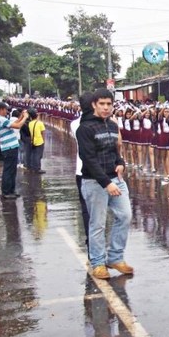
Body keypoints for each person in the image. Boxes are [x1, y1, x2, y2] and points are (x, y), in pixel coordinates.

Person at [76, 88, 133, 280]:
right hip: (95, 182)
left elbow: (115, 151)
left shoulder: (112, 125)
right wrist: (106, 183)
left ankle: (115, 257)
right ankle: (98, 263)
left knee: (125, 216)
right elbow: (88, 159)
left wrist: (120, 164)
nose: (106, 108)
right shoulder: (85, 128)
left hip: (116, 179)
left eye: (109, 104)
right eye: (102, 104)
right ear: (94, 105)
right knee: (98, 224)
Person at [71, 92, 94, 251]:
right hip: (89, 172)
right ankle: (93, 241)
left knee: (87, 209)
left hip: (81, 171)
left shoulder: (74, 123)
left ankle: (91, 239)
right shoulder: (81, 125)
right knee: (93, 210)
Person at [0, 103, 29, 199]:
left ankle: (11, 190)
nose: (7, 111)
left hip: (10, 146)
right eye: (5, 110)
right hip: (9, 147)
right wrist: (25, 118)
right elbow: (17, 126)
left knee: (12, 170)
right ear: (1, 109)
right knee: (9, 170)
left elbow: (15, 123)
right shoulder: (0, 119)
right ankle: (6, 192)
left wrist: (21, 116)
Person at [28, 108, 46, 174]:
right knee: (38, 155)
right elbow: (43, 133)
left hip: (32, 141)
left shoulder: (30, 123)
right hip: (39, 141)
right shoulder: (40, 123)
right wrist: (44, 141)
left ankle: (33, 167)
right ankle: (37, 168)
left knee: (34, 154)